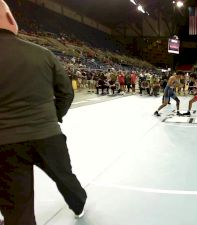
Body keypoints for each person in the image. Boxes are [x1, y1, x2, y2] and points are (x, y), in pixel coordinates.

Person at [0, 2, 87, 224]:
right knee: (65, 176)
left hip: (5, 140)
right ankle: (78, 206)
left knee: (17, 203)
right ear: (11, 19)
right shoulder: (43, 54)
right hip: (47, 133)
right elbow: (66, 92)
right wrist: (54, 116)